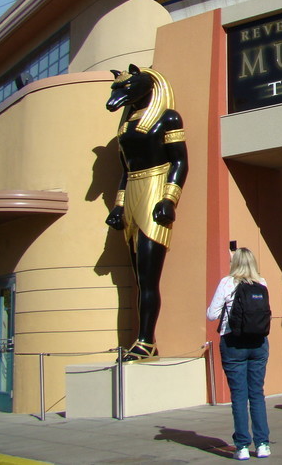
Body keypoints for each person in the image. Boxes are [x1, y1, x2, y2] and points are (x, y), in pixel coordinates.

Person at [105, 65, 188, 362]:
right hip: (133, 195)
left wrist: (169, 198)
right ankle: (141, 339)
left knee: (148, 277)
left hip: (155, 189)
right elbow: (126, 171)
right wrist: (117, 204)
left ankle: (145, 340)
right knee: (139, 279)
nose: (116, 98)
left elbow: (180, 162)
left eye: (123, 90)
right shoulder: (127, 126)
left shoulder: (168, 118)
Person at [207, 248, 271, 459]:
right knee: (257, 394)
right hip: (258, 343)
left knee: (239, 396)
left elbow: (211, 314)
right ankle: (262, 444)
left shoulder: (227, 283)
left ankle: (242, 446)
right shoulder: (261, 283)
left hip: (233, 342)